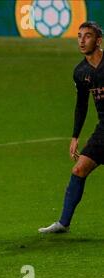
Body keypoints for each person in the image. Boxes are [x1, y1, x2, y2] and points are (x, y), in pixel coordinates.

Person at [39, 21, 103, 234]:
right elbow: (82, 105)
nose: (82, 40)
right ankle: (63, 223)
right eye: (79, 36)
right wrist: (75, 136)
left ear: (99, 40)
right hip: (103, 130)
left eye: (87, 36)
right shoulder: (81, 72)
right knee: (79, 169)